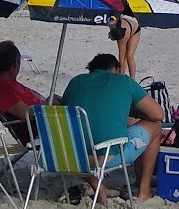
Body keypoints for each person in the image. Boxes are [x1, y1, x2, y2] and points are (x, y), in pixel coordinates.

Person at [61, 52, 164, 200]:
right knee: (155, 126)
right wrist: (134, 110)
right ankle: (144, 189)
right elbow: (158, 115)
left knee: (125, 122)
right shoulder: (124, 82)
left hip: (71, 157)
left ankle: (96, 182)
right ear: (117, 69)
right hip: (106, 157)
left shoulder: (76, 82)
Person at [0, 40, 44, 143]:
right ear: (15, 64)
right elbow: (25, 114)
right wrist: (48, 105)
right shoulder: (0, 86)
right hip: (43, 129)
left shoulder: (5, 83)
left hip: (47, 120)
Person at [107, 12, 141, 79]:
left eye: (111, 37)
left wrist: (120, 75)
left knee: (129, 56)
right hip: (127, 22)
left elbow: (121, 58)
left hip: (135, 28)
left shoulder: (122, 39)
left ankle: (132, 79)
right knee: (125, 56)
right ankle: (122, 76)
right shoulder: (112, 24)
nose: (108, 37)